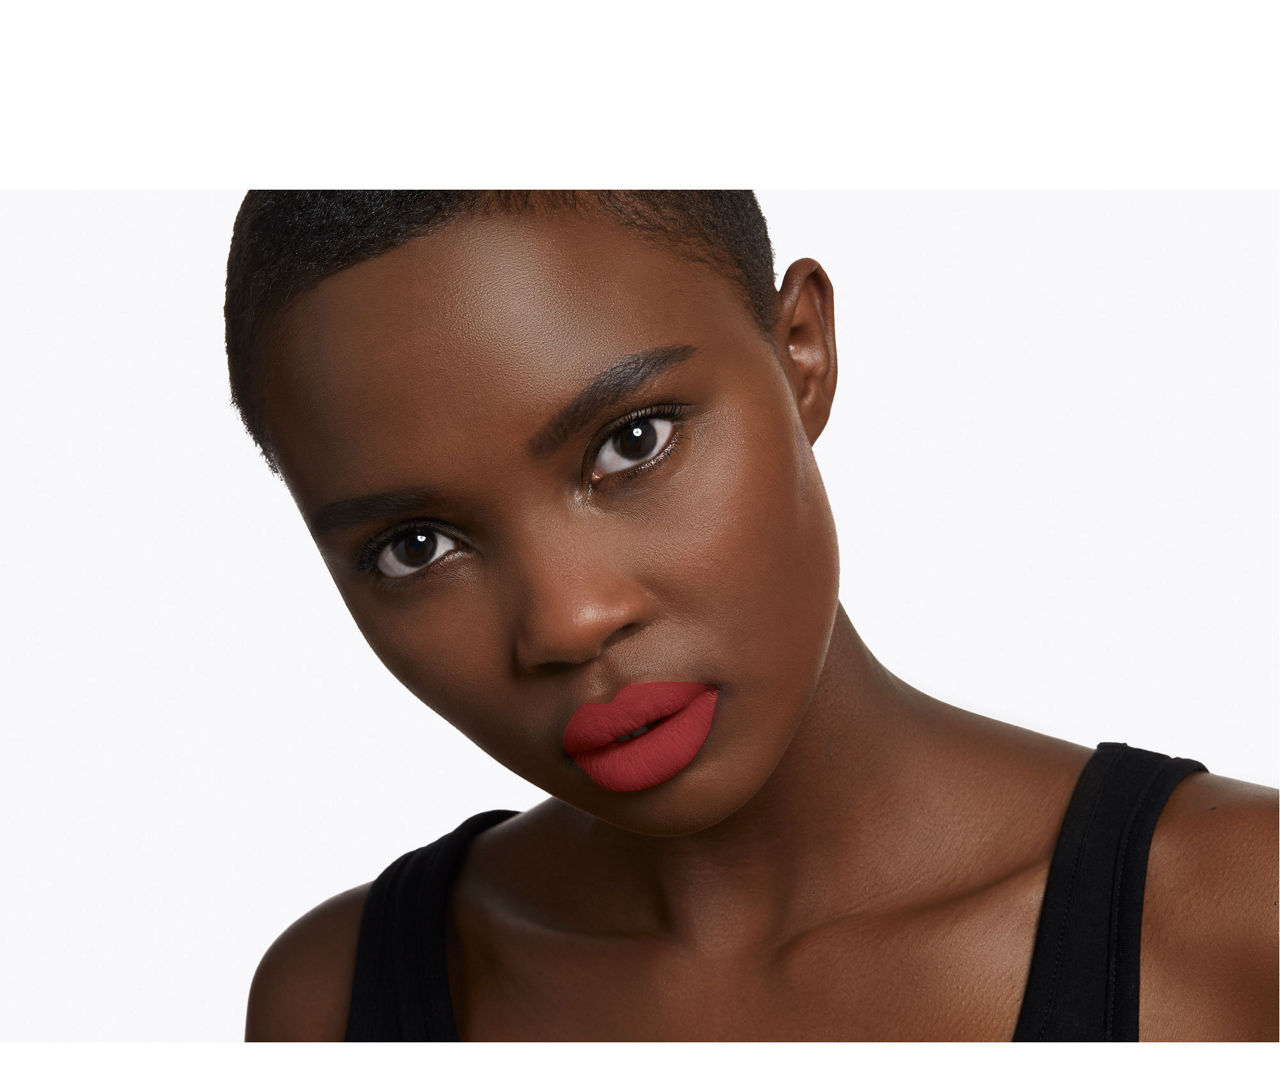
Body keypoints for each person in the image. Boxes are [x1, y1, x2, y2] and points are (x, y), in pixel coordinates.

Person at [228, 191, 1277, 1042]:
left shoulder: (1239, 923)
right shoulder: (332, 1008)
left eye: (632, 441)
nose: (569, 620)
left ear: (800, 353)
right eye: (415, 546)